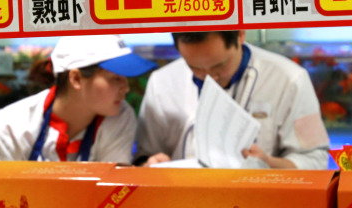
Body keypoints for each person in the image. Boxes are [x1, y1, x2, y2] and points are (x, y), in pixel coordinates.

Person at [135, 30, 329, 169]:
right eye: (195, 68)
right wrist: (150, 164)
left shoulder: (290, 79)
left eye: (220, 66)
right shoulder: (161, 82)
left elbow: (315, 159)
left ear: (240, 35)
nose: (210, 77)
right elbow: (144, 155)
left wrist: (269, 164)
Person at [0, 34, 157, 164]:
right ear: (76, 79)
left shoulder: (120, 117)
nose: (126, 88)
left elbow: (111, 194)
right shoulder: (6, 131)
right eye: (116, 78)